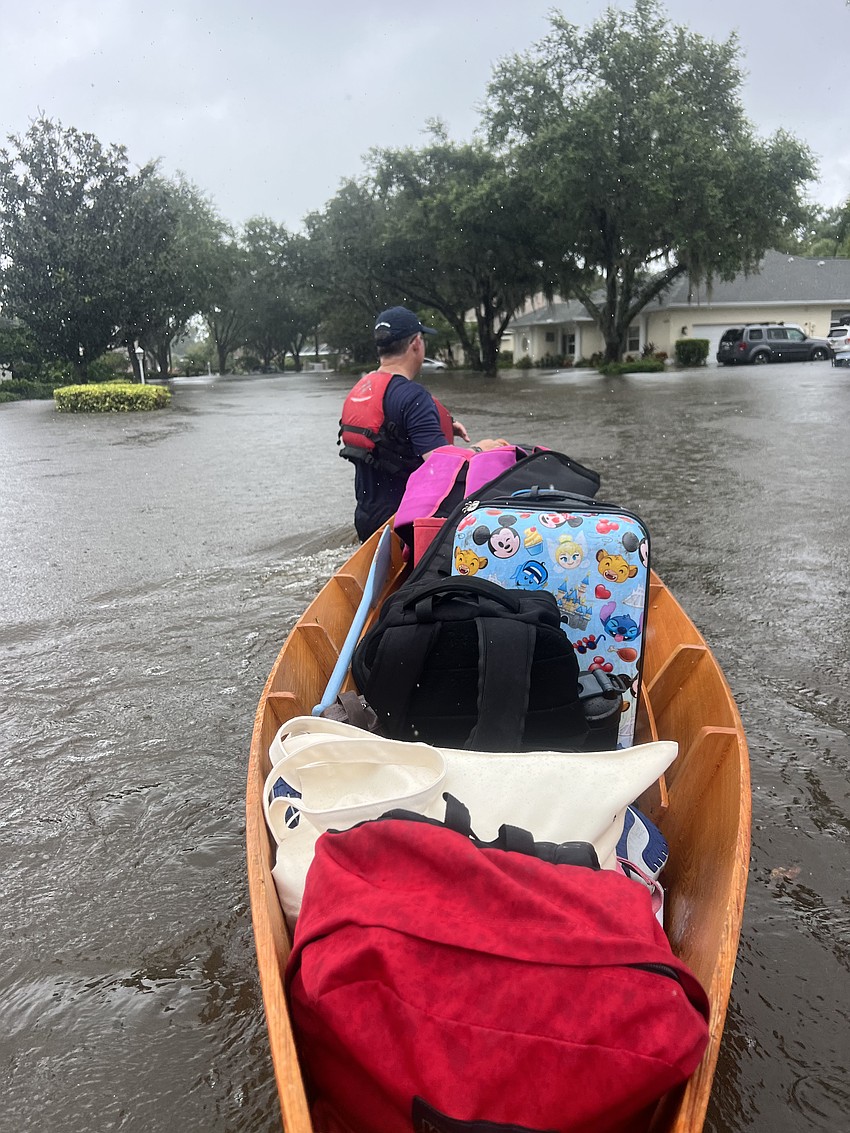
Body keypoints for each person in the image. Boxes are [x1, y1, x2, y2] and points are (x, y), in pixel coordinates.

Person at [339, 306, 508, 541]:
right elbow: (443, 466)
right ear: (416, 343)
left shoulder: (361, 390)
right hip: (405, 526)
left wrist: (444, 425)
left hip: (367, 522)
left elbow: (388, 432)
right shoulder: (413, 397)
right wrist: (482, 449)